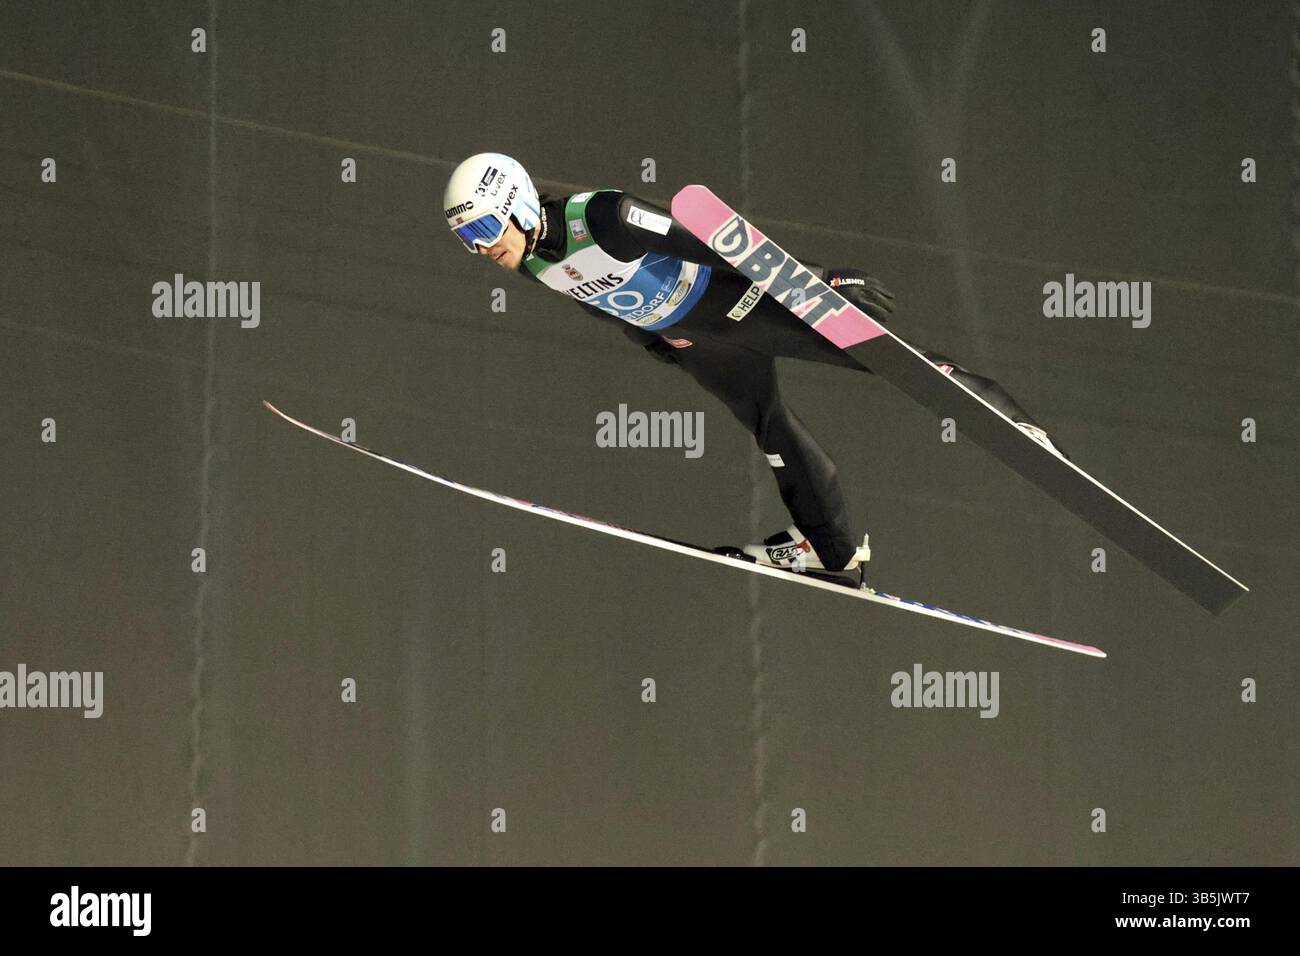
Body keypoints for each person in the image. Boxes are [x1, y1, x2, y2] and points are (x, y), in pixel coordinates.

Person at [444, 152, 1065, 574]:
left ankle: (1012, 423)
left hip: (741, 304)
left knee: (884, 362)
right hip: (698, 340)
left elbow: (708, 238)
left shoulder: (600, 216)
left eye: (487, 228)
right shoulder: (532, 261)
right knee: (771, 428)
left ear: (519, 204)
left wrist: (819, 280)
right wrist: (659, 344)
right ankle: (833, 552)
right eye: (470, 240)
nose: (484, 247)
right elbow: (600, 301)